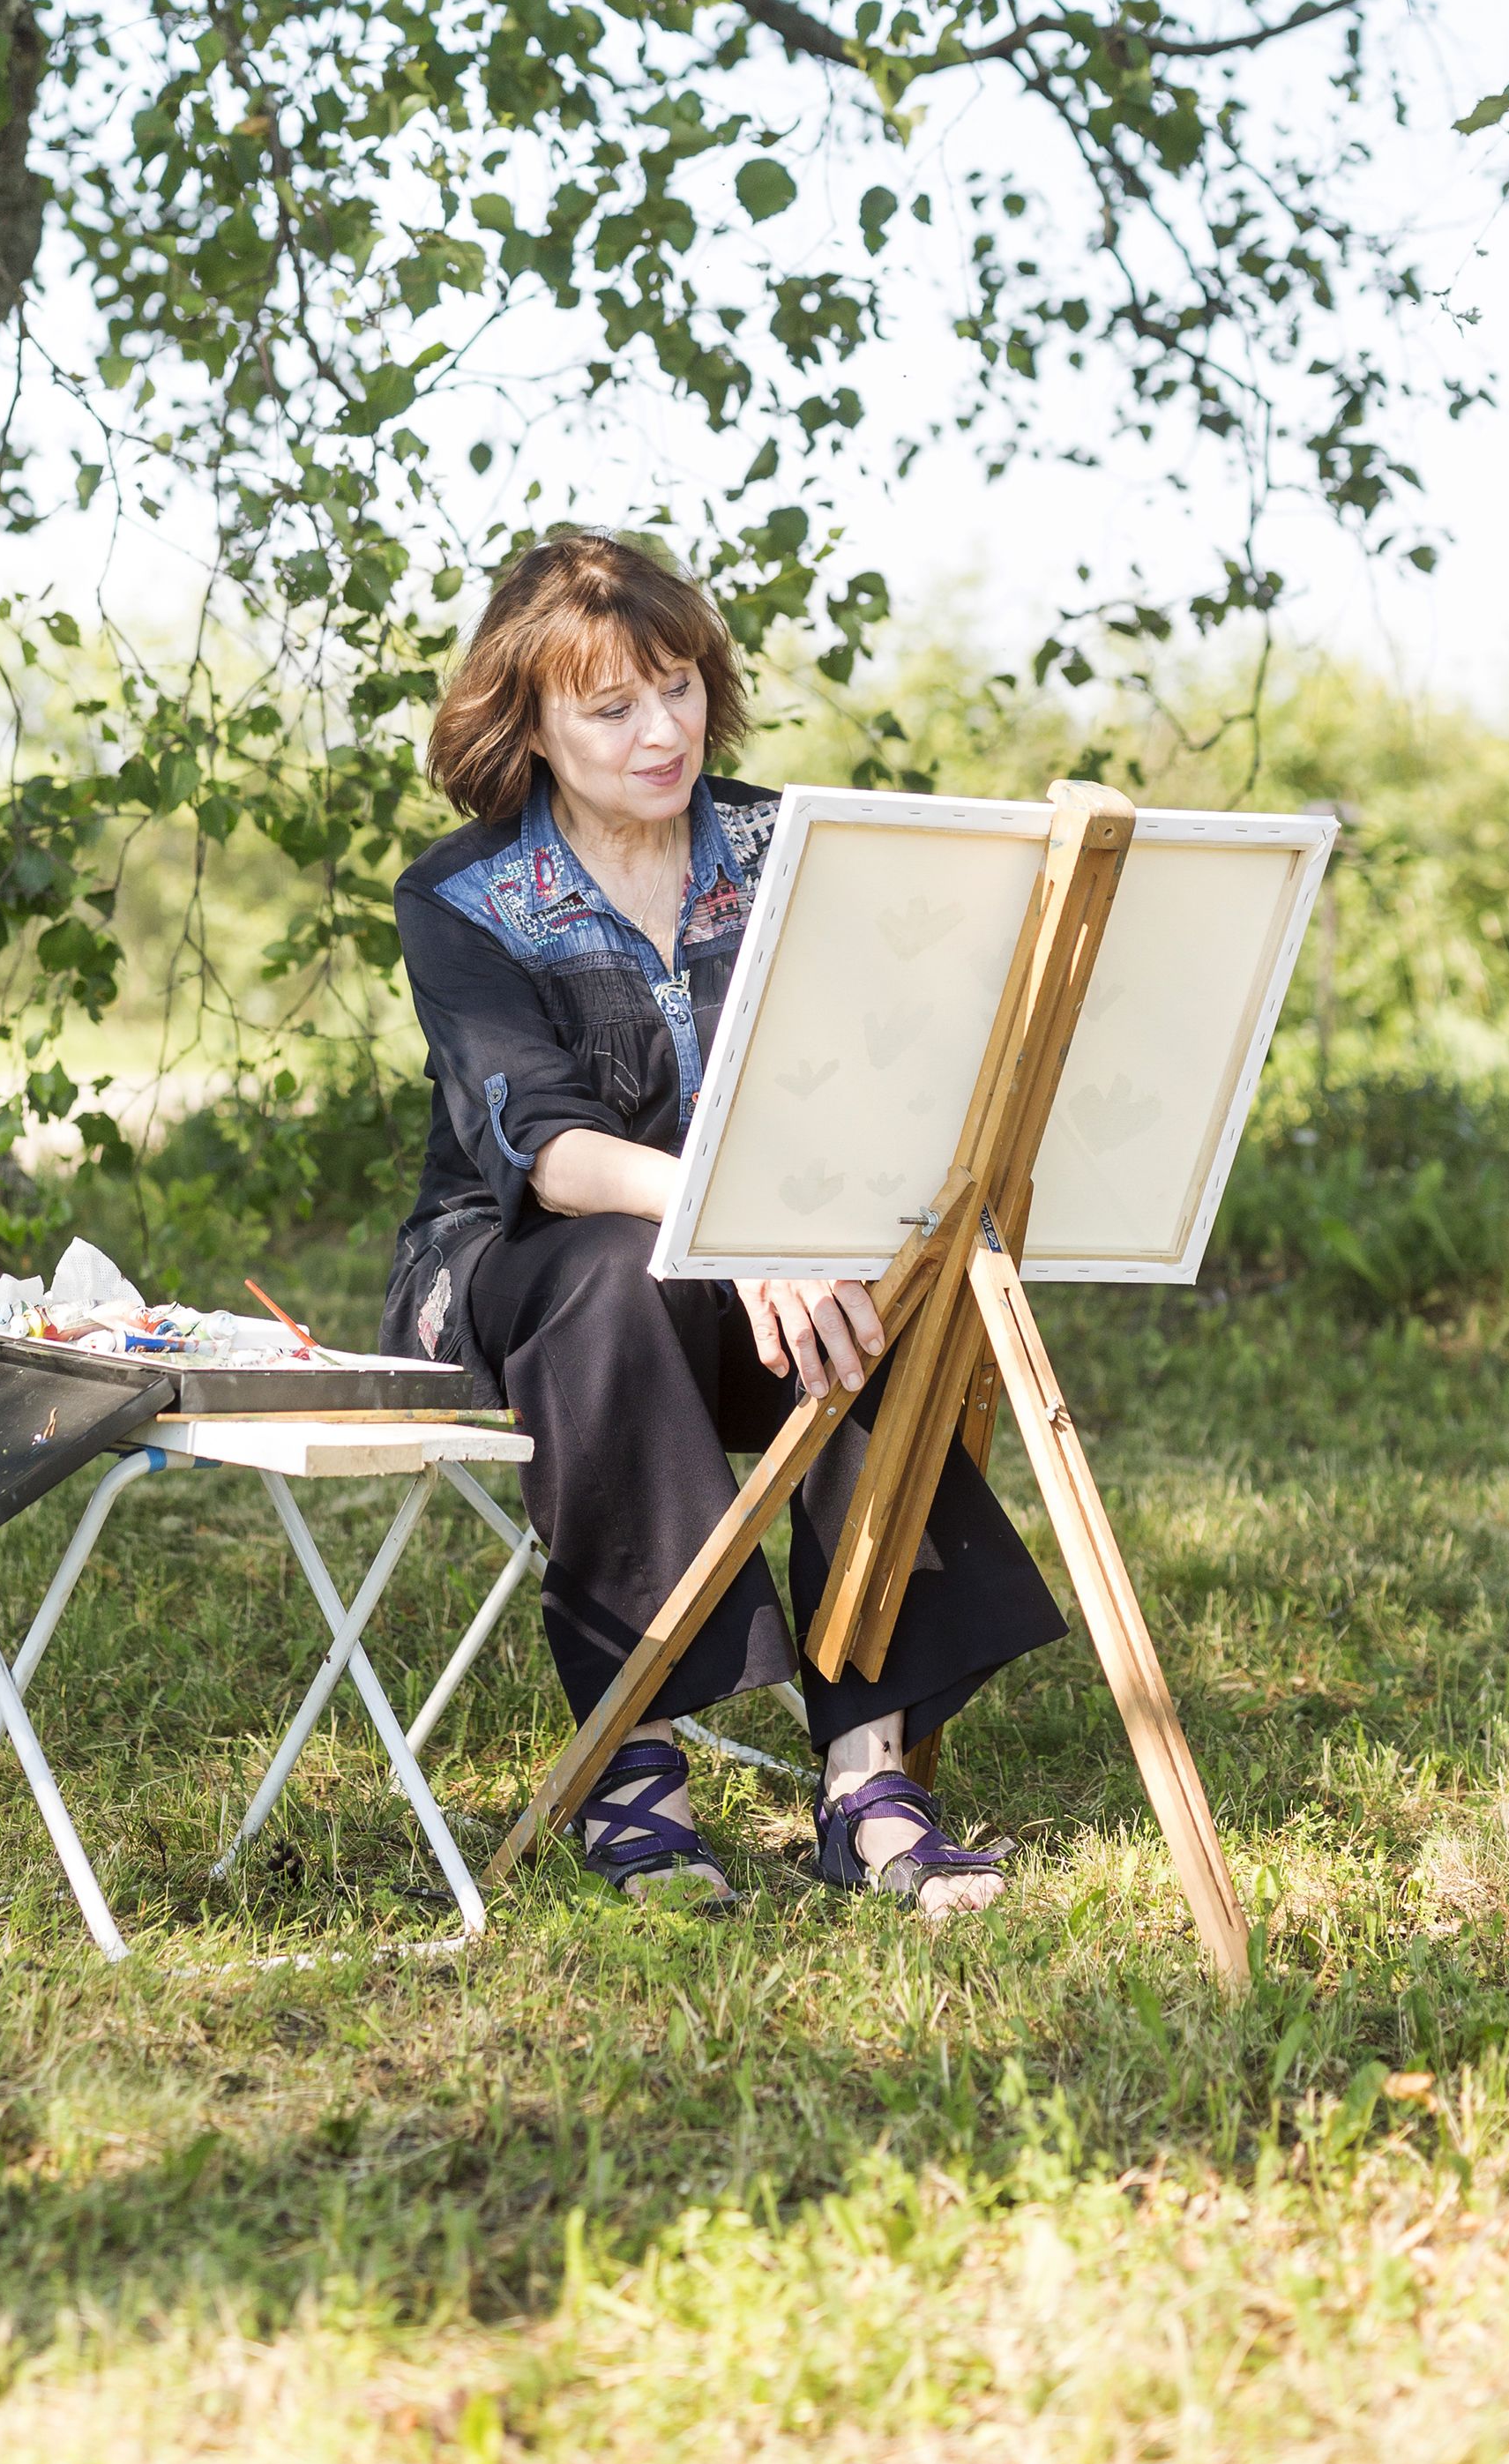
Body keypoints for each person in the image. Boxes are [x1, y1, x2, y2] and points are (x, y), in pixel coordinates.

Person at [382, 528, 1065, 1911]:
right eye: (613, 705)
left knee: (887, 1299)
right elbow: (546, 1146)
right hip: (524, 1272)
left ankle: (870, 1780)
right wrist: (741, 1226)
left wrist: (807, 1233)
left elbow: (881, 1078)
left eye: (680, 687)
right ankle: (639, 1782)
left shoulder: (793, 851)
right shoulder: (460, 897)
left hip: (772, 1262)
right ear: (527, 719)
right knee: (621, 1267)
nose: (661, 731)